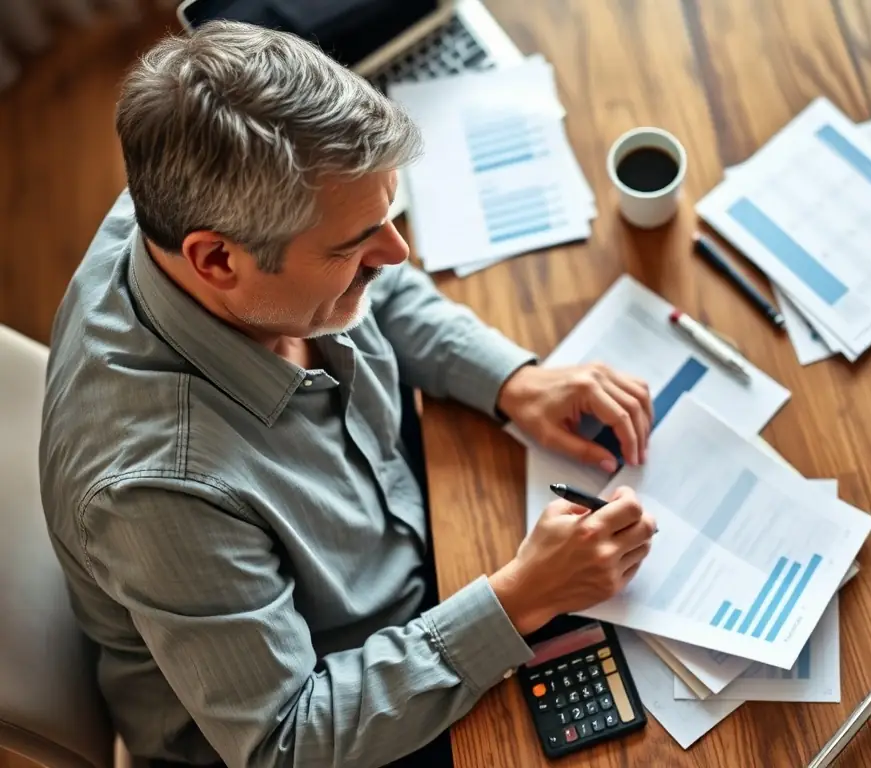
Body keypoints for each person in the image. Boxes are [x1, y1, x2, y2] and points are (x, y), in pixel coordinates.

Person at [38, 20, 657, 768]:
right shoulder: (158, 490)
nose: (398, 255)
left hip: (415, 560)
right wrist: (520, 597)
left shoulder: (199, 205)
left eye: (390, 217)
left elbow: (374, 286)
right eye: (354, 250)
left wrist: (510, 379)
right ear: (217, 261)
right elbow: (285, 742)